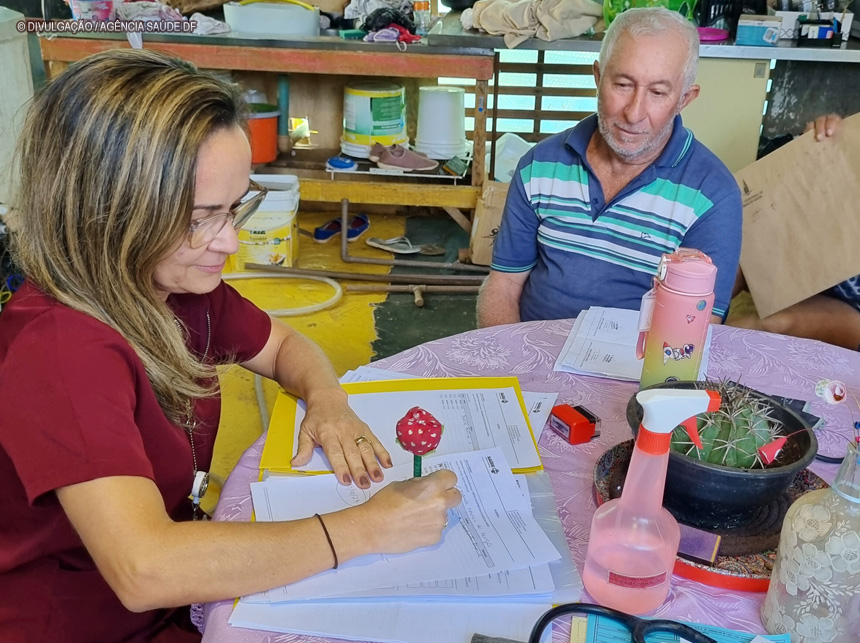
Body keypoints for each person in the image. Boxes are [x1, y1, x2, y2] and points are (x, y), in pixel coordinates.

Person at [0, 49, 461, 642]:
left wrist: (326, 399)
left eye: (235, 207)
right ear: (105, 212)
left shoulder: (172, 285)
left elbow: (285, 345)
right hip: (83, 623)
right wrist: (366, 528)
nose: (228, 242)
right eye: (199, 217)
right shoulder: (60, 351)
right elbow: (146, 568)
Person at [477, 7, 742, 328]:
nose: (634, 113)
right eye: (622, 85)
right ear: (598, 77)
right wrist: (513, 364)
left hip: (639, 368)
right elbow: (503, 284)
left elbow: (697, 326)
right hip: (531, 355)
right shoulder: (540, 166)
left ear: (684, 99)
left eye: (657, 92)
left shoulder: (712, 195)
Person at [729, 113, 860, 351]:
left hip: (854, 313)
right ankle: (668, 330)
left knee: (772, 324)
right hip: (812, 274)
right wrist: (818, 143)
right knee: (728, 262)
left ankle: (687, 357)